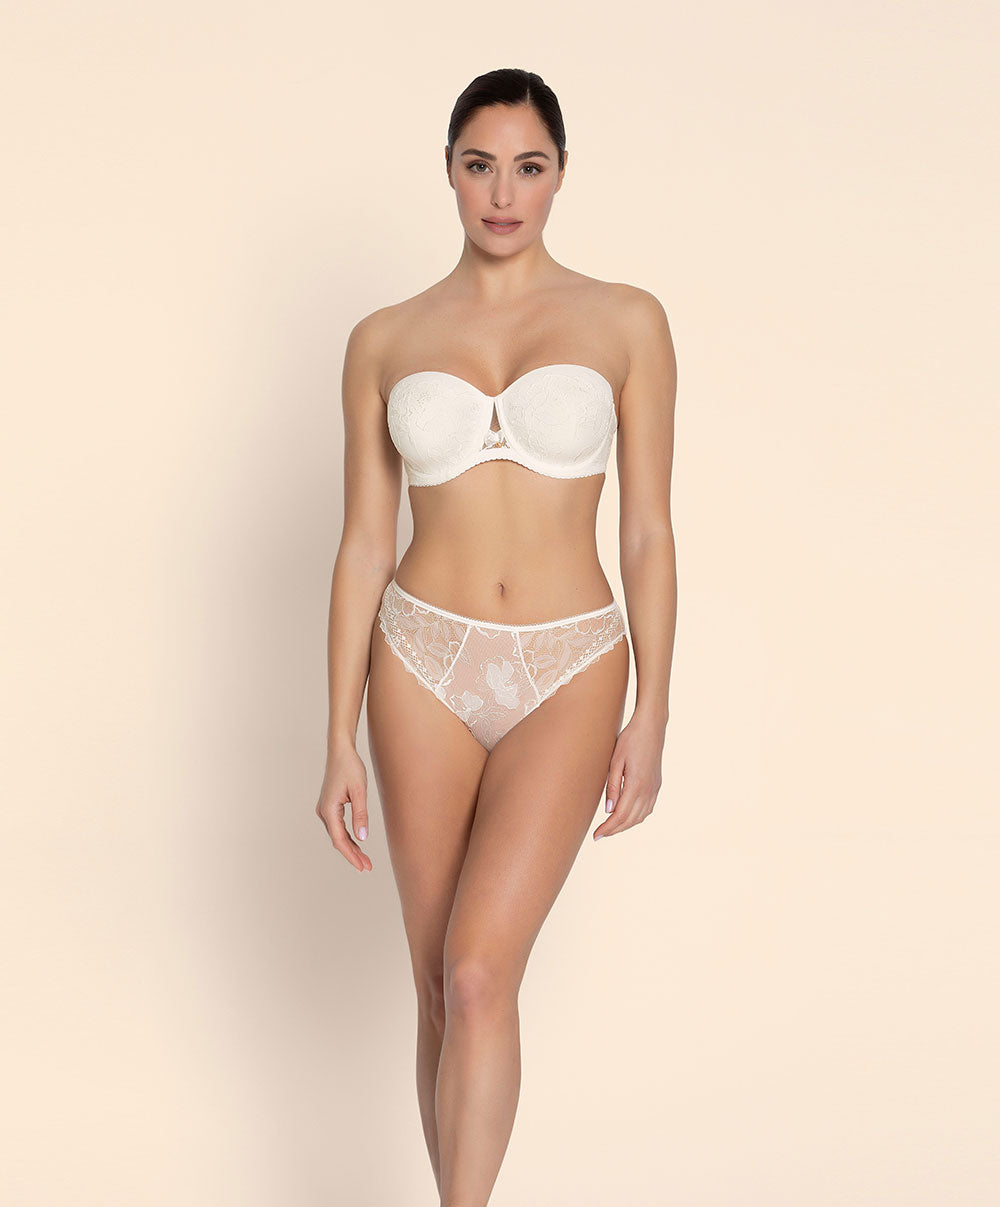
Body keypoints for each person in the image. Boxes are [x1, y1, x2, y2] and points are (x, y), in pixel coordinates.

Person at [315, 67, 677, 1207]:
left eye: (528, 167)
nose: (503, 194)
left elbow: (649, 532)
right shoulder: (384, 338)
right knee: (437, 983)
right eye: (480, 166)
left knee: (480, 972)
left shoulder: (626, 320)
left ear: (561, 173)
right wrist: (335, 737)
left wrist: (653, 709)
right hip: (418, 657)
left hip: (570, 663)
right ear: (449, 172)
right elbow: (363, 545)